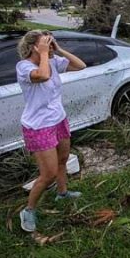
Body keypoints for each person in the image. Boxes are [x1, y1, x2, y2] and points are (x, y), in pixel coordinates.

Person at [16, 30, 86, 232]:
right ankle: (28, 210)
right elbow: (43, 75)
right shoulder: (24, 67)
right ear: (33, 47)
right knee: (48, 173)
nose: (49, 45)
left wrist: (58, 49)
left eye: (49, 42)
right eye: (44, 43)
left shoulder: (53, 61)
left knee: (63, 160)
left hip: (58, 119)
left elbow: (80, 65)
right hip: (39, 126)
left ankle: (62, 193)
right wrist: (45, 54)